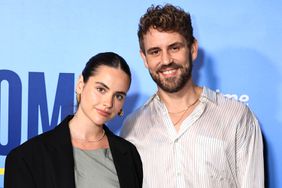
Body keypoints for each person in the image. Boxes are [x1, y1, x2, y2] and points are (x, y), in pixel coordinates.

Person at [120, 4, 264, 188]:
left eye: (174, 48)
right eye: (155, 51)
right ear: (144, 58)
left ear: (193, 49)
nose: (166, 60)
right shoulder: (132, 127)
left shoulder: (237, 117)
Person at [4, 52, 143, 188]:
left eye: (118, 96)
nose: (108, 103)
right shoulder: (27, 158)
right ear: (80, 84)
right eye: (101, 89)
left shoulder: (129, 155)